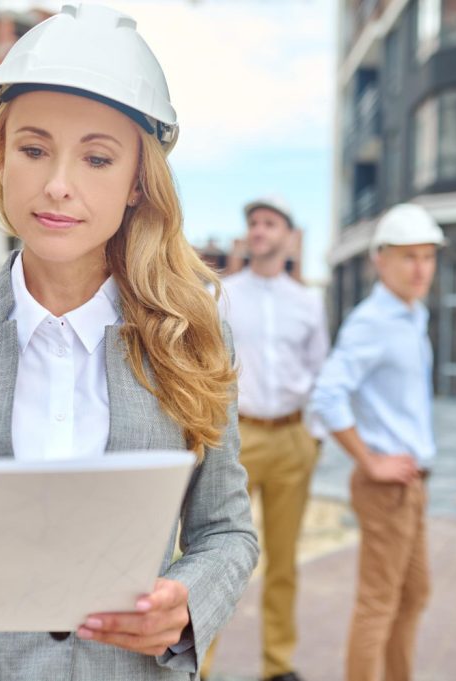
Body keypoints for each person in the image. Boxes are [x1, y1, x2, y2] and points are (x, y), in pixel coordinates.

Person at [0, 5, 259, 679]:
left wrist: (186, 604)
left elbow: (225, 530)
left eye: (97, 157)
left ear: (136, 182)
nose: (58, 184)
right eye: (34, 149)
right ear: (1, 156)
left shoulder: (194, 337)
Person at [310, 204, 444, 681]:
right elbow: (327, 394)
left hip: (412, 482)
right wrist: (368, 461)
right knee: (379, 605)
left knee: (414, 595)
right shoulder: (374, 321)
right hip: (387, 487)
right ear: (380, 260)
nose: (421, 268)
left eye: (428, 257)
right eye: (409, 256)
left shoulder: (412, 315)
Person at [206, 197, 330, 681]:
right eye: (253, 223)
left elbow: (321, 371)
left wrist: (313, 438)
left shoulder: (308, 302)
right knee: (214, 552)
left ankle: (278, 665)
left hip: (292, 439)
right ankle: (201, 665)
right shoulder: (222, 294)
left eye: (269, 223)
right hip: (236, 438)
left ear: (288, 235)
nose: (258, 230)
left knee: (284, 561)